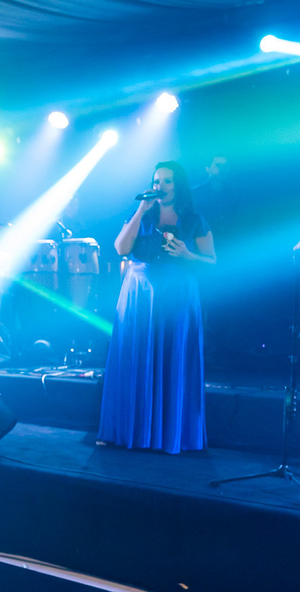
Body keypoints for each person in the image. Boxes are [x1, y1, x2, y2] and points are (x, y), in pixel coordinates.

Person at [98, 160, 216, 454]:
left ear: (178, 185)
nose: (160, 187)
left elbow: (212, 262)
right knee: (135, 357)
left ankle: (169, 434)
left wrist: (188, 255)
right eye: (157, 181)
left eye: (167, 181)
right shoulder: (143, 214)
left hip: (177, 294)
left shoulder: (194, 219)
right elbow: (121, 249)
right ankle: (128, 430)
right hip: (140, 294)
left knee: (171, 358)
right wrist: (140, 211)